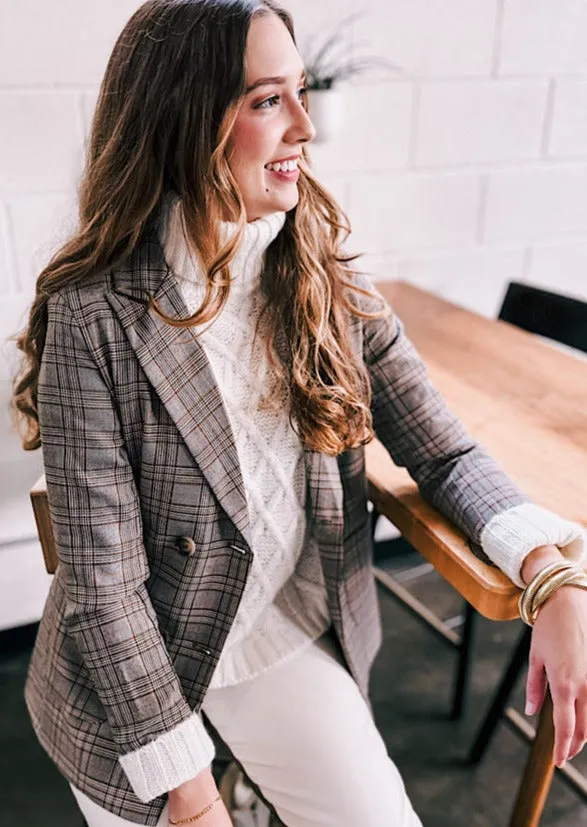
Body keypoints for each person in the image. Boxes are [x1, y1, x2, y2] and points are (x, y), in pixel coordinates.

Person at [11, 1, 587, 825]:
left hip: (273, 634)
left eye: (301, 91)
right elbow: (106, 593)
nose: (304, 128)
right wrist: (193, 797)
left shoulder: (324, 278)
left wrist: (552, 574)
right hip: (131, 682)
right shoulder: (92, 315)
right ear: (184, 120)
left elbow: (446, 454)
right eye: (265, 100)